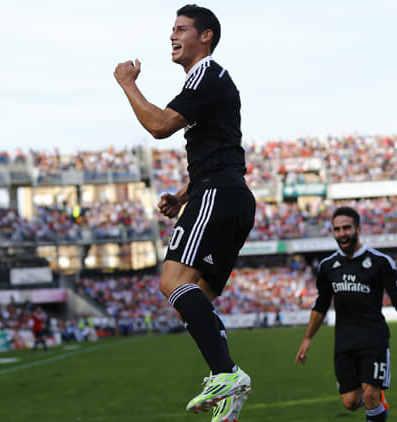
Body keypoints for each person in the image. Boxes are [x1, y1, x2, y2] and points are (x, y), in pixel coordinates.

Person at [114, 5, 255, 420]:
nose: (172, 37)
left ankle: (227, 373)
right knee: (193, 301)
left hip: (219, 194)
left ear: (205, 36)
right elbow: (219, 150)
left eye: (181, 29)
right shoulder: (207, 83)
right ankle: (228, 388)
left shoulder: (207, 74)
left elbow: (159, 126)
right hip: (224, 193)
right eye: (171, 30)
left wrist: (127, 85)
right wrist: (181, 195)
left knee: (172, 280)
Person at [295, 207, 397, 422]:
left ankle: (376, 398)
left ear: (358, 228)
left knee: (369, 395)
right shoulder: (328, 266)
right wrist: (308, 338)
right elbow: (320, 305)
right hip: (344, 341)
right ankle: (378, 403)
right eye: (337, 229)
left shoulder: (380, 262)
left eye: (346, 227)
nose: (342, 233)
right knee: (350, 402)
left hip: (373, 338)